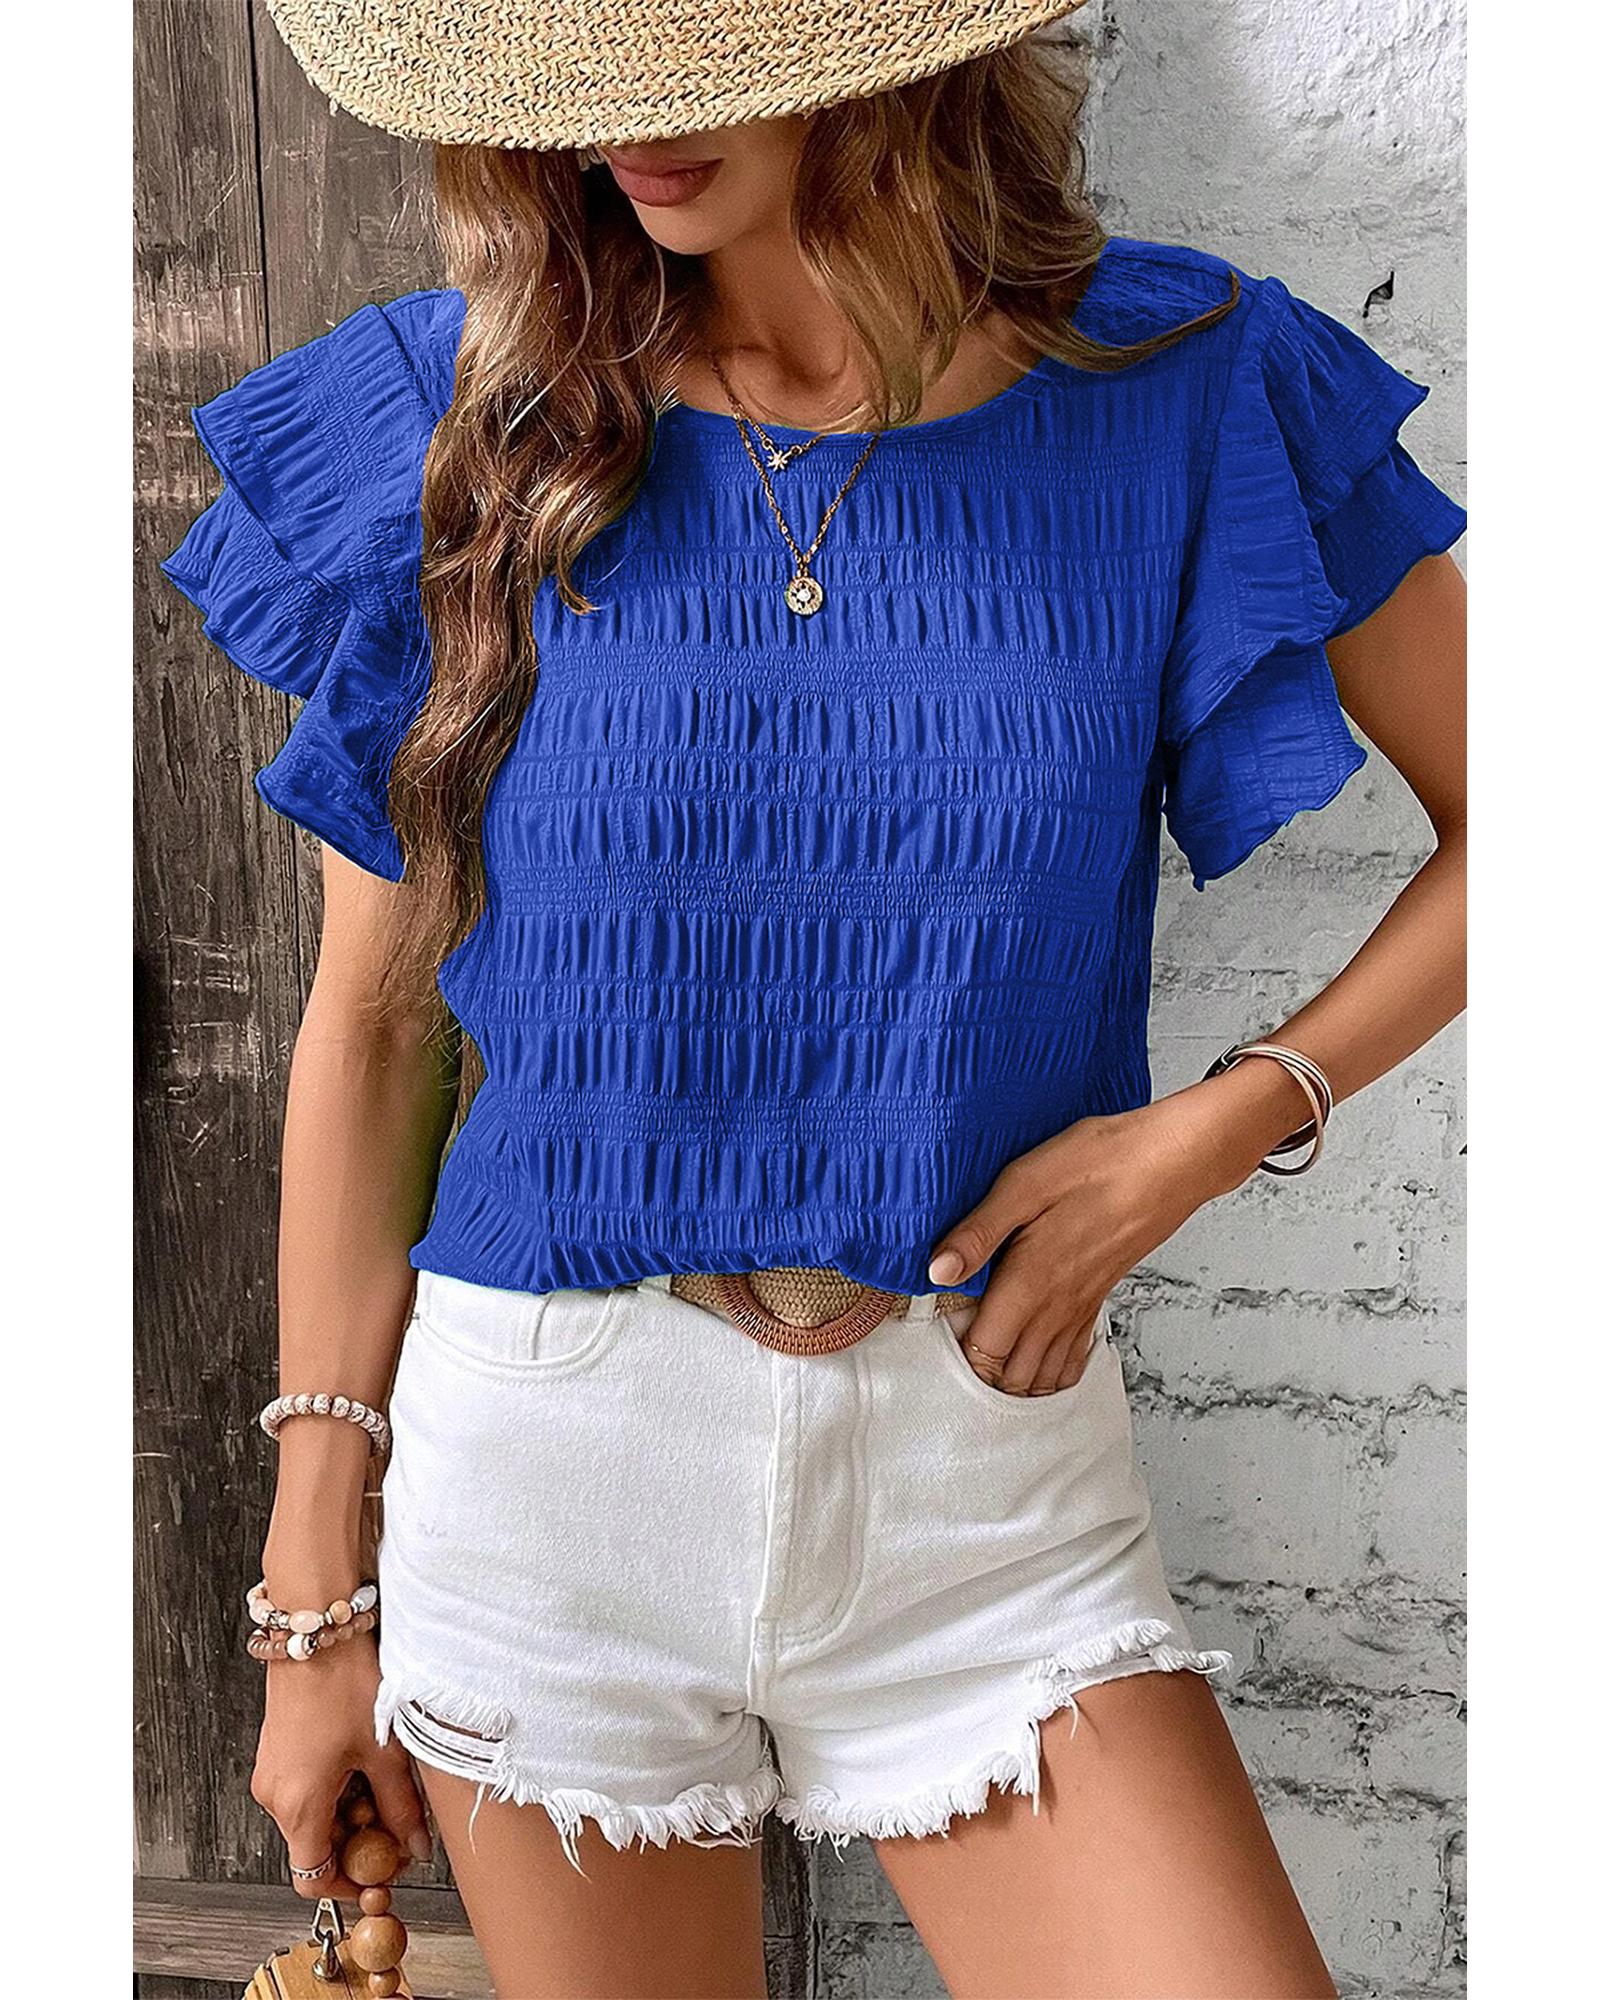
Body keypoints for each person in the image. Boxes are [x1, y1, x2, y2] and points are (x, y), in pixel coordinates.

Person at [160, 3, 1466, 1994]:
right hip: (553, 1479)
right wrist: (308, 1600)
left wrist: (1206, 1136)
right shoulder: (462, 411)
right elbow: (374, 1025)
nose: (628, 132)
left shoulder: (1195, 386)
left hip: (988, 1480)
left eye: (698, 65)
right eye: (581, 78)